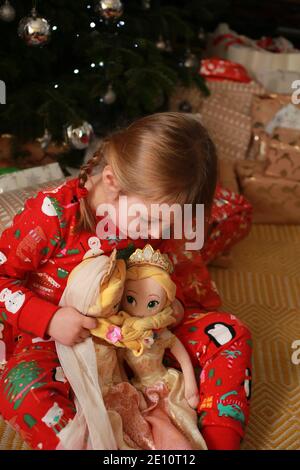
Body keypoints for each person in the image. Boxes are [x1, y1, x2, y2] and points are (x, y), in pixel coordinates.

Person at [0, 112, 252, 450]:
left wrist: (173, 308)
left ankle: (217, 444)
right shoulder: (53, 216)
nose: (154, 234)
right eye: (148, 220)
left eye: (166, 226)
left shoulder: (160, 225)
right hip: (61, 340)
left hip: (140, 336)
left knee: (229, 332)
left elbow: (176, 282)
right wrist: (49, 319)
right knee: (22, 387)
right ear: (111, 181)